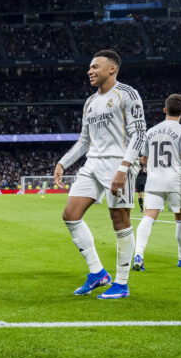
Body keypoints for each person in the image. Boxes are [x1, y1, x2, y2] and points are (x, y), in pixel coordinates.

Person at [54, 50, 146, 299]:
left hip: (119, 163)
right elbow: (84, 141)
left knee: (119, 219)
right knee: (71, 215)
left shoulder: (127, 94)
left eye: (95, 67)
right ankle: (97, 273)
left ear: (112, 69)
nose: (90, 71)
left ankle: (122, 283)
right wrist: (63, 162)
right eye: (89, 67)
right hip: (92, 164)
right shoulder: (90, 102)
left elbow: (139, 132)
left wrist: (125, 167)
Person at [133, 94, 181, 271]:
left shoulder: (151, 131)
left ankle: (138, 254)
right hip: (176, 181)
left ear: (165, 109)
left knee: (148, 217)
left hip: (154, 181)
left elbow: (144, 159)